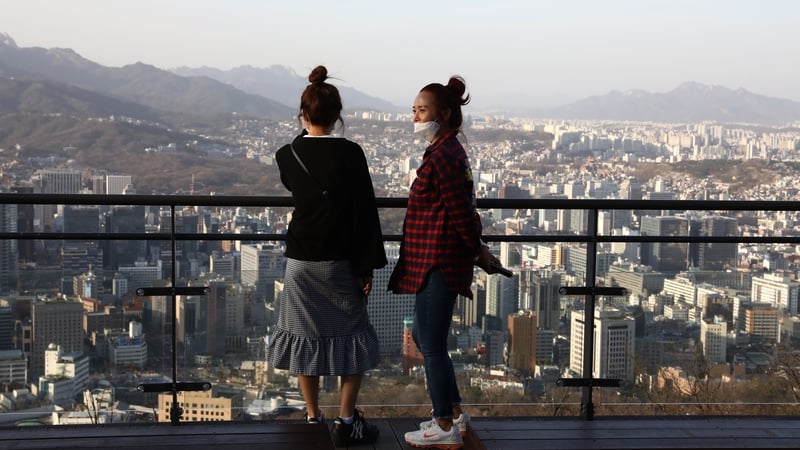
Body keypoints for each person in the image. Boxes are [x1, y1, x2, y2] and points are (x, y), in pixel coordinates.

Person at [266, 65, 387, 447]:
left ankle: (312, 415)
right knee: (353, 336)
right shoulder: (351, 153)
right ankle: (346, 420)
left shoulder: (288, 154)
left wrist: (304, 130)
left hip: (300, 262)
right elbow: (365, 212)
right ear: (338, 116)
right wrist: (366, 267)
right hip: (339, 262)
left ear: (303, 114)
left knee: (305, 337)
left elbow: (292, 177)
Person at [389, 75, 502, 449]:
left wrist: (478, 250)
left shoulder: (444, 157)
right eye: (414, 110)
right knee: (425, 337)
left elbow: (461, 212)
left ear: (445, 114)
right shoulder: (445, 152)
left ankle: (443, 424)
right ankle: (453, 414)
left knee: (432, 344)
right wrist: (477, 249)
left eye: (422, 111)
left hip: (438, 260)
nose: (415, 117)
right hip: (433, 259)